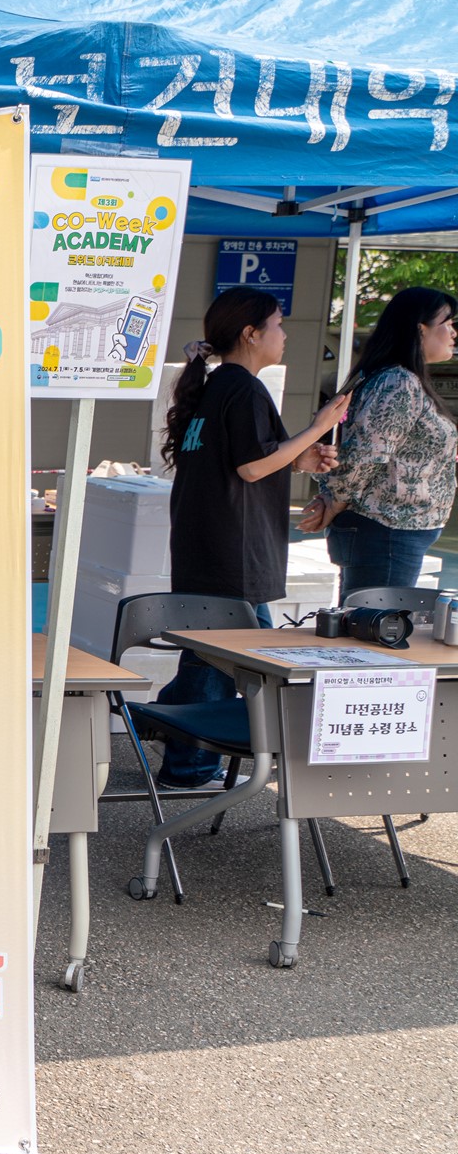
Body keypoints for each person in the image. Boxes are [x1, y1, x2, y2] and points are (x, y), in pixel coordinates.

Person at [156, 286, 349, 787]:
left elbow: (248, 460)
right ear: (251, 333)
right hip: (232, 553)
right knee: (237, 661)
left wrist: (300, 456)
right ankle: (186, 756)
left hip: (210, 547)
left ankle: (175, 747)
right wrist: (318, 427)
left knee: (214, 658)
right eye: (278, 324)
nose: (284, 335)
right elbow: (249, 466)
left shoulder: (219, 386)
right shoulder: (242, 387)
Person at [301, 286, 458, 596]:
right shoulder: (398, 381)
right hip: (385, 531)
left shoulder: (403, 379)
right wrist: (333, 502)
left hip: (393, 533)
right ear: (419, 328)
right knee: (372, 632)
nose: (453, 332)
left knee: (374, 630)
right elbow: (365, 455)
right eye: (448, 323)